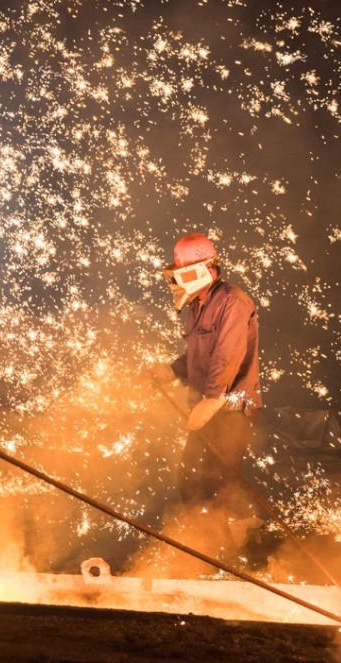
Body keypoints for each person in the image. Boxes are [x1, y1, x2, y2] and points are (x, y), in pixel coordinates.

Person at [150, 231, 264, 566]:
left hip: (231, 410)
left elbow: (227, 356)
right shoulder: (199, 305)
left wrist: (212, 399)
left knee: (214, 485)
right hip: (209, 408)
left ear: (204, 269)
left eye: (182, 270)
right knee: (190, 480)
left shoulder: (233, 302)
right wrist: (172, 371)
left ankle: (222, 556)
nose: (176, 278)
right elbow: (198, 354)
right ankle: (209, 542)